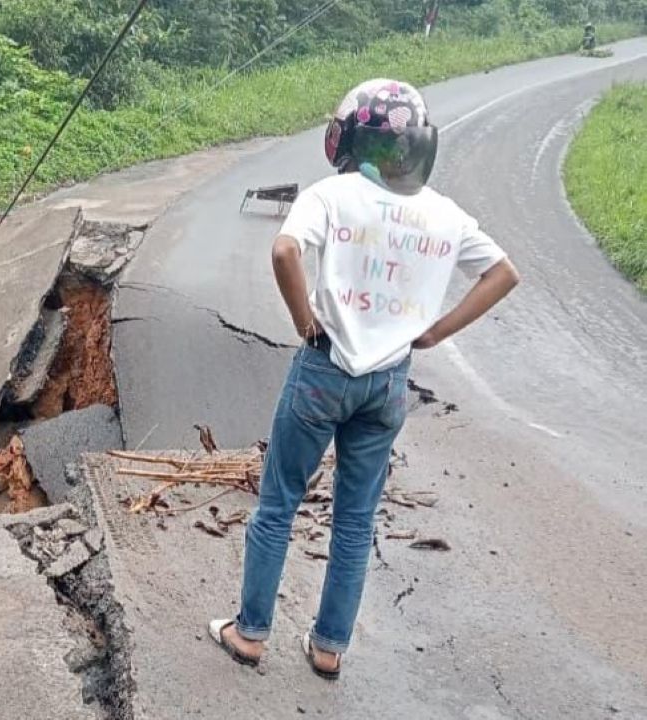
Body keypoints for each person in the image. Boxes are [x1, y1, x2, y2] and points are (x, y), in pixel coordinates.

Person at [208, 79, 520, 680]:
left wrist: (305, 321)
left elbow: (284, 253)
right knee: (355, 519)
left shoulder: (331, 195)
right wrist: (434, 332)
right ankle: (328, 648)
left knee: (278, 504)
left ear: (351, 137)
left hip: (325, 369)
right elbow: (503, 273)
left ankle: (250, 634)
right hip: (388, 383)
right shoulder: (445, 213)